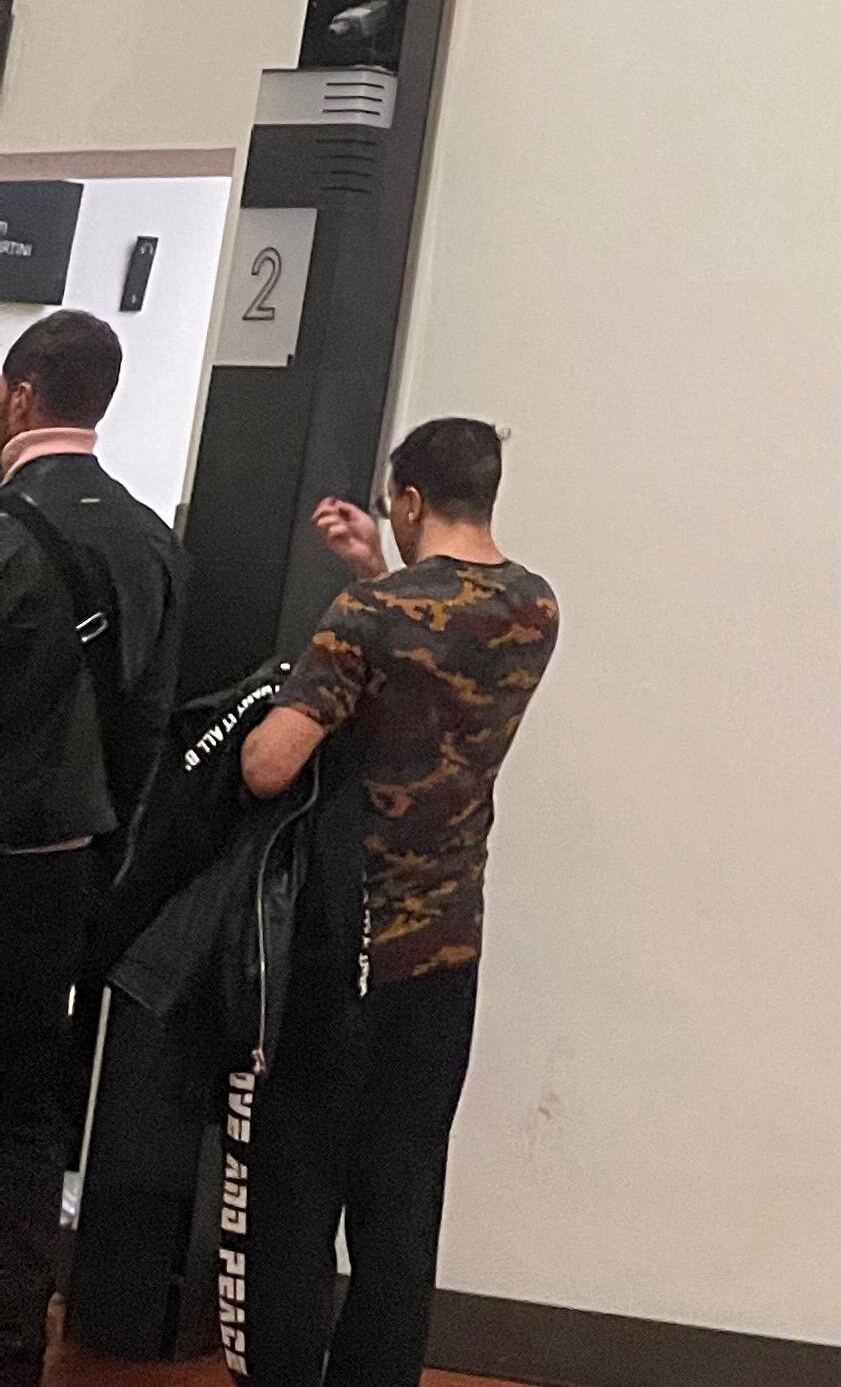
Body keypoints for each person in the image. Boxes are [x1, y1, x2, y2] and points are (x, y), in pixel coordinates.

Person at [235, 419, 560, 1387]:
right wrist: (375, 569)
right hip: (449, 947)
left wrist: (351, 604)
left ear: (410, 500)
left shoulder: (366, 619)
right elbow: (431, 660)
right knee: (404, 1196)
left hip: (347, 945)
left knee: (299, 1191)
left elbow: (268, 765)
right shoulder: (535, 605)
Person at [0, 312, 184, 1387]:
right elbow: (150, 725)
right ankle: (17, 1343)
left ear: (22, 394)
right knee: (27, 1108)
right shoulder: (151, 540)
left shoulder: (8, 532)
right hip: (69, 866)